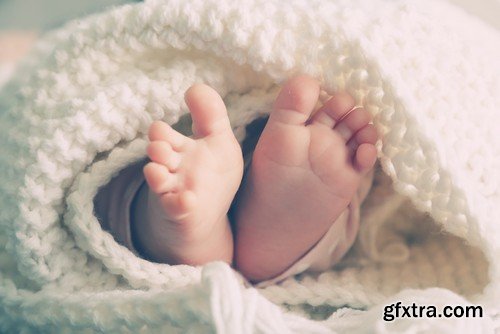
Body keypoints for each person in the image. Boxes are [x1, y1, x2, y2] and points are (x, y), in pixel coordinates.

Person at [94, 74, 378, 284]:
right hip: (289, 138)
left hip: (181, 145)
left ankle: (173, 222)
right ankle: (252, 238)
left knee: (134, 182)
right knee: (346, 187)